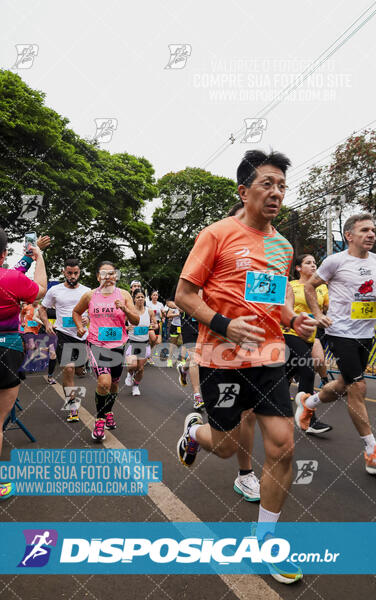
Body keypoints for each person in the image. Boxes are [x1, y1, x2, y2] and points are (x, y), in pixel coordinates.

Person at [175, 150, 315, 584]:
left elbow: (275, 298)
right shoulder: (217, 234)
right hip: (220, 357)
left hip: (269, 357)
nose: (276, 193)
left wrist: (293, 319)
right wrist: (224, 324)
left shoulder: (283, 246)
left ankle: (264, 543)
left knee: (283, 445)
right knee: (226, 445)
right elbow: (184, 295)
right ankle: (193, 432)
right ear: (244, 190)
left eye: (281, 186)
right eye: (267, 184)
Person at [0, 225, 46, 509]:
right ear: (3, 253)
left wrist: (27, 257)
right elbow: (39, 290)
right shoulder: (8, 278)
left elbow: (10, 269)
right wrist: (39, 259)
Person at [301, 213, 376, 475]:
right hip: (341, 332)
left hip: (366, 333)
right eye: (365, 230)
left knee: (344, 384)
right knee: (358, 385)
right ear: (349, 236)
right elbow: (310, 286)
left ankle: (308, 405)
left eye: (373, 230)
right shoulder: (335, 261)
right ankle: (371, 449)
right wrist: (318, 315)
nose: (371, 234)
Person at [73, 262, 139, 440]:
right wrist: (80, 326)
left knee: (115, 383)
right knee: (104, 383)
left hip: (118, 344)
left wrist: (124, 308)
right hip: (97, 343)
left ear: (116, 276)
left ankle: (108, 412)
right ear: (98, 277)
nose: (108, 277)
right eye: (104, 274)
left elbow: (136, 320)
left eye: (111, 274)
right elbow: (76, 312)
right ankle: (100, 420)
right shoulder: (89, 295)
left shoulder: (124, 295)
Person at [282, 254, 333, 435]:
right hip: (289, 333)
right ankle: (309, 419)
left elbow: (326, 309)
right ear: (298, 268)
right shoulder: (290, 286)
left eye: (314, 263)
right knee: (307, 368)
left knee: (286, 374)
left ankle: (272, 404)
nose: (313, 265)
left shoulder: (321, 289)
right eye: (308, 263)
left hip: (311, 336)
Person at [39, 258, 90, 421]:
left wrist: (88, 319)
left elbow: (94, 311)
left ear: (80, 272)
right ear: (64, 272)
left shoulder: (87, 291)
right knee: (68, 369)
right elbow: (42, 308)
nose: (73, 276)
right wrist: (47, 323)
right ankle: (73, 407)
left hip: (82, 335)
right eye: (69, 273)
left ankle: (82, 366)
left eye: (76, 273)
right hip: (64, 334)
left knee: (79, 370)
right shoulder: (55, 290)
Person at [125, 288, 156, 395]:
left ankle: (136, 386)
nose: (140, 299)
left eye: (142, 297)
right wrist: (125, 327)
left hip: (144, 343)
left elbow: (156, 324)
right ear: (134, 299)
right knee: (132, 366)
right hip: (132, 342)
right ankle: (129, 374)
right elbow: (120, 323)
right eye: (138, 297)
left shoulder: (149, 311)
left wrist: (153, 326)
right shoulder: (129, 310)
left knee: (140, 369)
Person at [177, 305, 204, 410]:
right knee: (194, 358)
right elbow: (172, 301)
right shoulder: (185, 287)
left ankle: (183, 368)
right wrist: (182, 305)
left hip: (205, 324)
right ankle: (197, 396)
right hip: (189, 325)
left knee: (200, 358)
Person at [146, 290, 165, 356]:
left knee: (158, 341)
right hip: (151, 323)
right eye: (153, 295)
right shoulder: (148, 304)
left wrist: (163, 316)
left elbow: (163, 315)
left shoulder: (160, 304)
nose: (155, 296)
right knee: (152, 340)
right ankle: (150, 354)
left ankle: (151, 353)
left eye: (156, 295)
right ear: (151, 296)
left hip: (158, 323)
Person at [166, 300, 183, 367]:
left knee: (182, 343)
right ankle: (169, 360)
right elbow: (168, 315)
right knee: (173, 344)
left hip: (182, 326)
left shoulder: (184, 305)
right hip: (175, 326)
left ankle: (182, 360)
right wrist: (177, 314)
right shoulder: (174, 306)